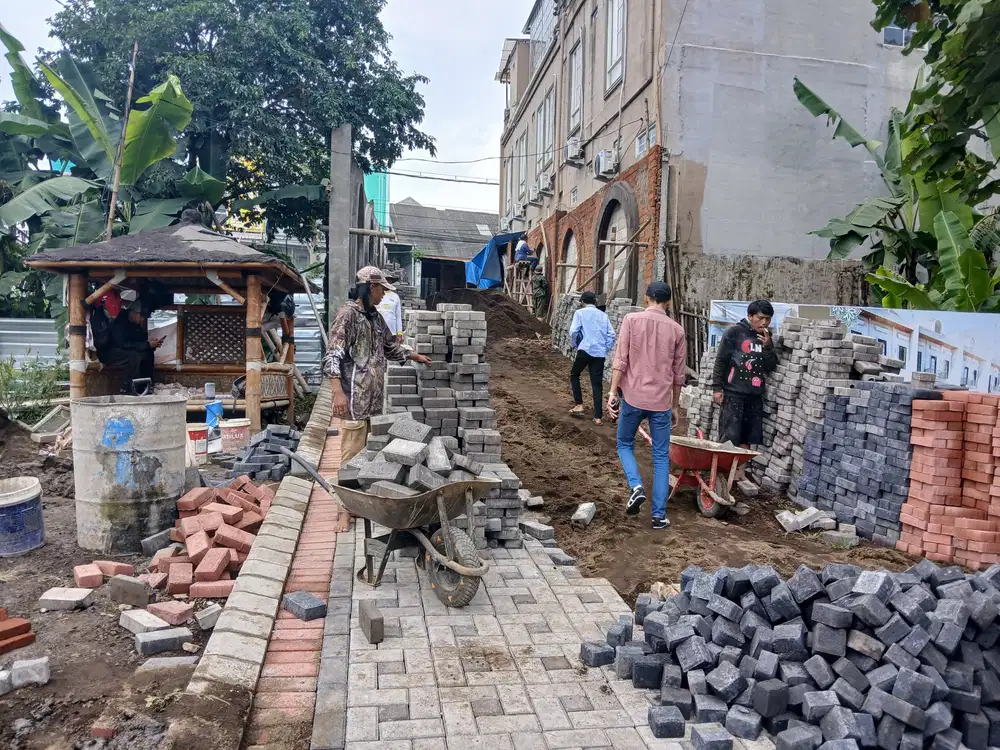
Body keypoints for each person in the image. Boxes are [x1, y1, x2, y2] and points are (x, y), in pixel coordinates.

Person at [323, 266, 432, 464]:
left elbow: (390, 347)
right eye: (382, 289)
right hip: (354, 399)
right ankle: (345, 492)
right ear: (371, 287)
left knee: (370, 455)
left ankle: (363, 492)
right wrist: (337, 392)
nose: (384, 294)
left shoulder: (375, 318)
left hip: (374, 401)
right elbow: (332, 355)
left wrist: (415, 356)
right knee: (353, 454)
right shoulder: (348, 316)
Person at [606, 281, 686, 530]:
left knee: (624, 444)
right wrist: (675, 406)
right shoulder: (677, 330)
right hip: (661, 402)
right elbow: (678, 374)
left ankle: (636, 486)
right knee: (661, 456)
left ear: (646, 298)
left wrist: (612, 392)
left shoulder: (631, 320)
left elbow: (621, 360)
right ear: (668, 302)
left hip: (633, 397)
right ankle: (659, 516)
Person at [712, 300, 777, 465]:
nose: (764, 323)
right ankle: (721, 472)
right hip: (734, 393)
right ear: (750, 316)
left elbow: (770, 367)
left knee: (748, 437)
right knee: (729, 436)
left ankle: (739, 472)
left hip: (755, 395)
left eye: (768, 319)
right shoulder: (733, 333)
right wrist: (717, 388)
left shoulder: (766, 338)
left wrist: (768, 346)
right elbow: (721, 361)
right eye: (760, 318)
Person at [568, 291, 616, 425]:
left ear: (582, 301)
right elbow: (612, 334)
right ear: (595, 301)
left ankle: (579, 404)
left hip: (585, 350)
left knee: (574, 374)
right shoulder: (603, 316)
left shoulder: (580, 313)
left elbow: (573, 331)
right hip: (599, 353)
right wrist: (604, 348)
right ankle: (597, 417)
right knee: (597, 384)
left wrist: (576, 344)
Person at [98, 300, 164, 395]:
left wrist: (151, 344)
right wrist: (147, 344)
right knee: (134, 356)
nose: (142, 320)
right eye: (141, 317)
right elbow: (123, 344)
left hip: (126, 350)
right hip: (111, 352)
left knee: (148, 353)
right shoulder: (119, 323)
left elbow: (140, 342)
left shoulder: (136, 326)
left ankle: (147, 385)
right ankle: (130, 388)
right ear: (133, 313)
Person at [375, 271, 404, 343]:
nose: (387, 282)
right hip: (377, 331)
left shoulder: (395, 296)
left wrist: (399, 333)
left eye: (389, 280)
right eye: (385, 280)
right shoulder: (376, 295)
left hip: (392, 332)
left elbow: (398, 316)